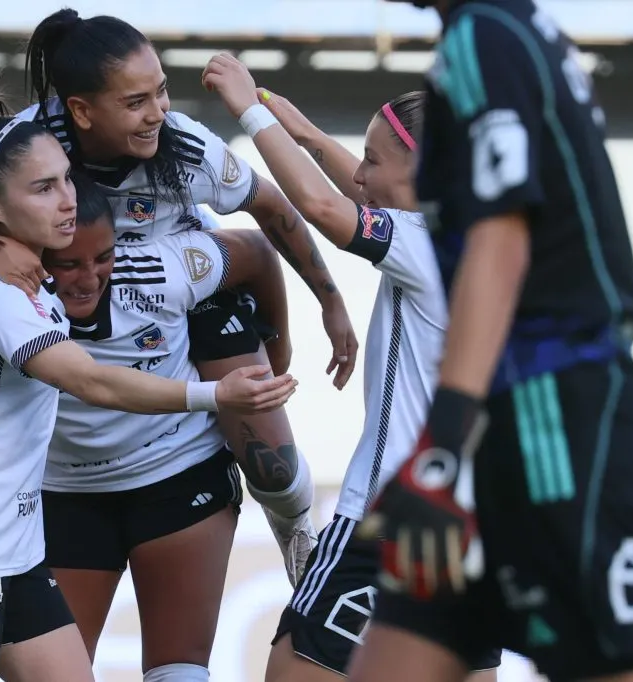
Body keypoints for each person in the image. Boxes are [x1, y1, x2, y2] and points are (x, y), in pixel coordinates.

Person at [0, 9, 359, 584]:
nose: (158, 112)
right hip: (78, 361)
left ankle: (293, 520)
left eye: (161, 92)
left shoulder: (186, 153)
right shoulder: (29, 148)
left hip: (177, 293)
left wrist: (324, 305)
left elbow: (266, 219)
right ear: (81, 112)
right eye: (136, 100)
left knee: (271, 452)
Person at [0, 88, 296, 682]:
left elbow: (254, 254)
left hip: (17, 559)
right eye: (43, 189)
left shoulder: (23, 289)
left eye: (65, 179)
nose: (68, 200)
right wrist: (214, 395)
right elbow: (89, 382)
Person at [349, 2, 633, 682]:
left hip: (556, 427)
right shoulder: (516, 35)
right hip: (500, 438)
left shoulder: (482, 37)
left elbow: (503, 239)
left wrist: (438, 446)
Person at [200, 55, 502, 681]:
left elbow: (321, 206)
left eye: (371, 158)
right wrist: (308, 136)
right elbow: (365, 194)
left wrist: (248, 111)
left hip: (389, 519)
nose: (359, 175)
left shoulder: (424, 246)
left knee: (292, 668)